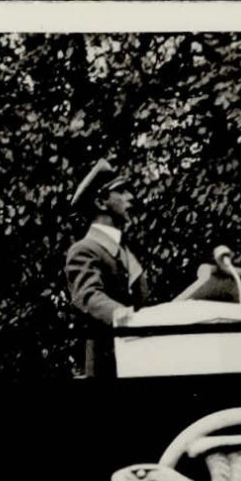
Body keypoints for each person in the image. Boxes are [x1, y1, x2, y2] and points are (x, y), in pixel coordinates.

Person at [64, 159, 152, 378]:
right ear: (101, 202)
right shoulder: (84, 249)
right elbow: (88, 296)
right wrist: (125, 316)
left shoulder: (124, 250)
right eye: (120, 191)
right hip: (108, 369)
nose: (130, 198)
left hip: (139, 361)